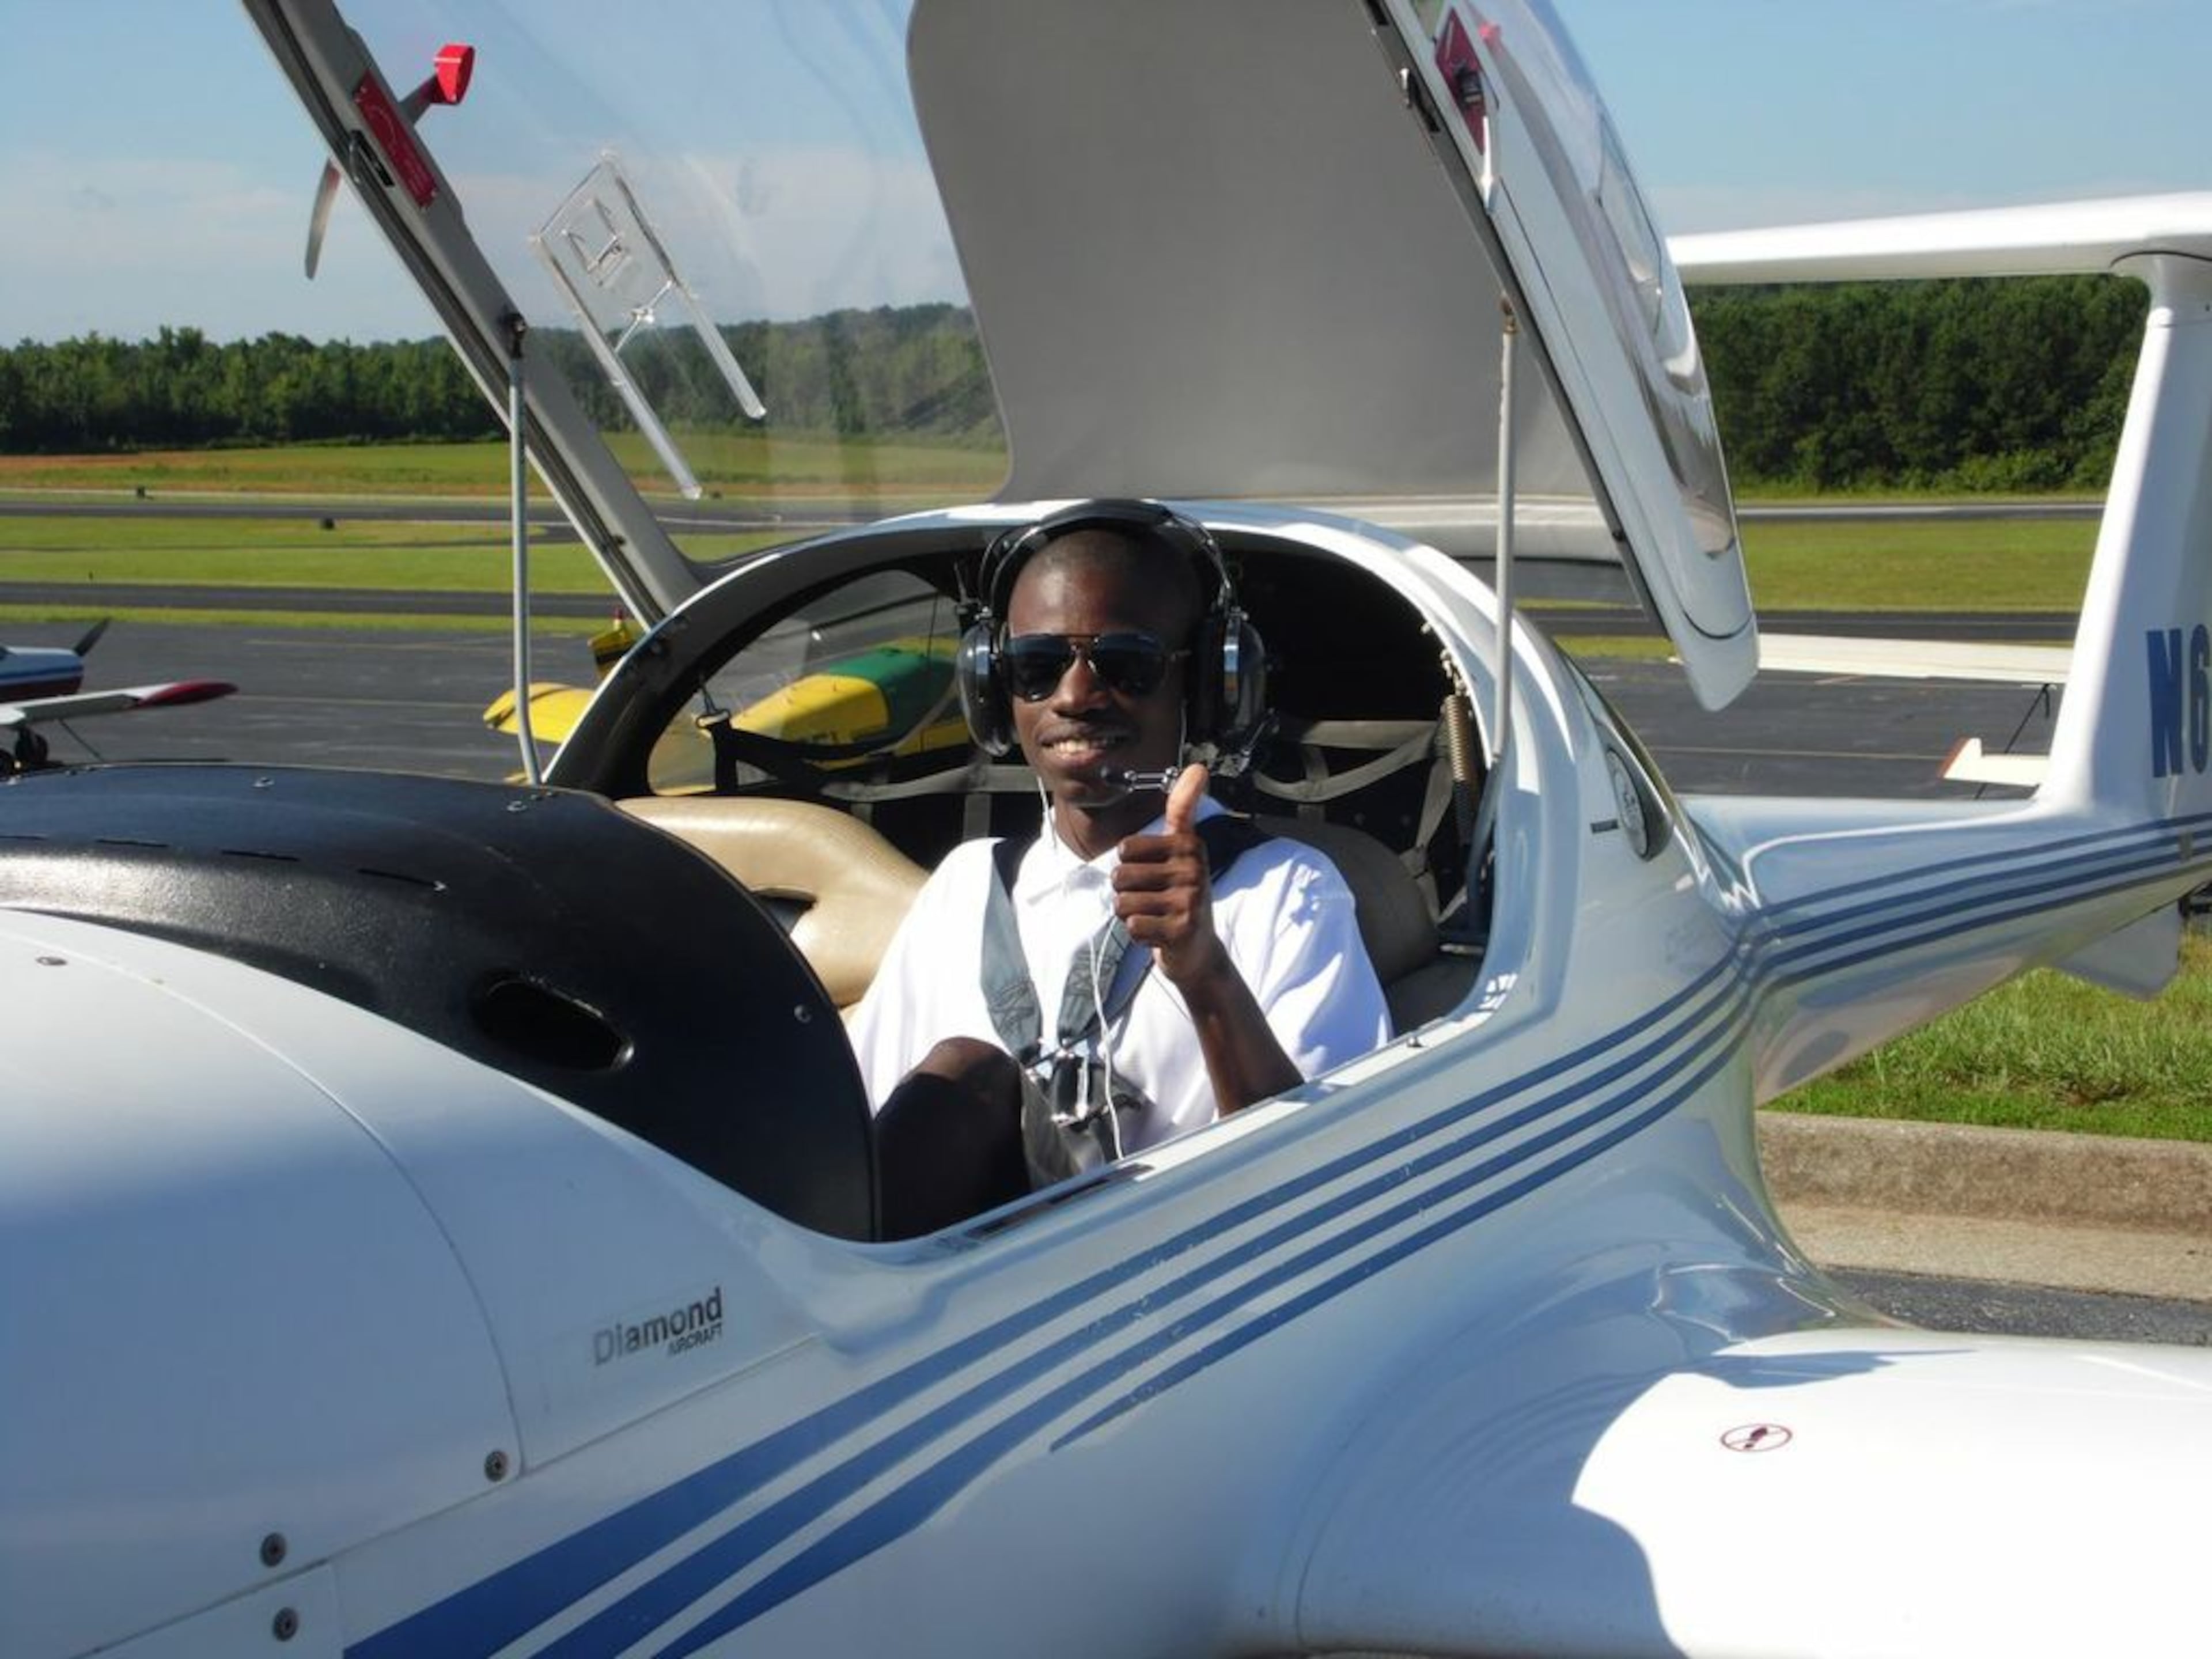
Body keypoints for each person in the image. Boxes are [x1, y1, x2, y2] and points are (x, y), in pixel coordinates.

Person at [846, 499, 1390, 1235]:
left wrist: (1206, 977)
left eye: (1125, 665)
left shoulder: (1287, 892)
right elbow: (858, 1142)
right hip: (975, 1305)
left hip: (1197, 1286)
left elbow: (1322, 1188)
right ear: (995, 690)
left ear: (1202, 688)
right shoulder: (966, 888)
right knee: (963, 1076)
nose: (1074, 696)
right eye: (1036, 667)